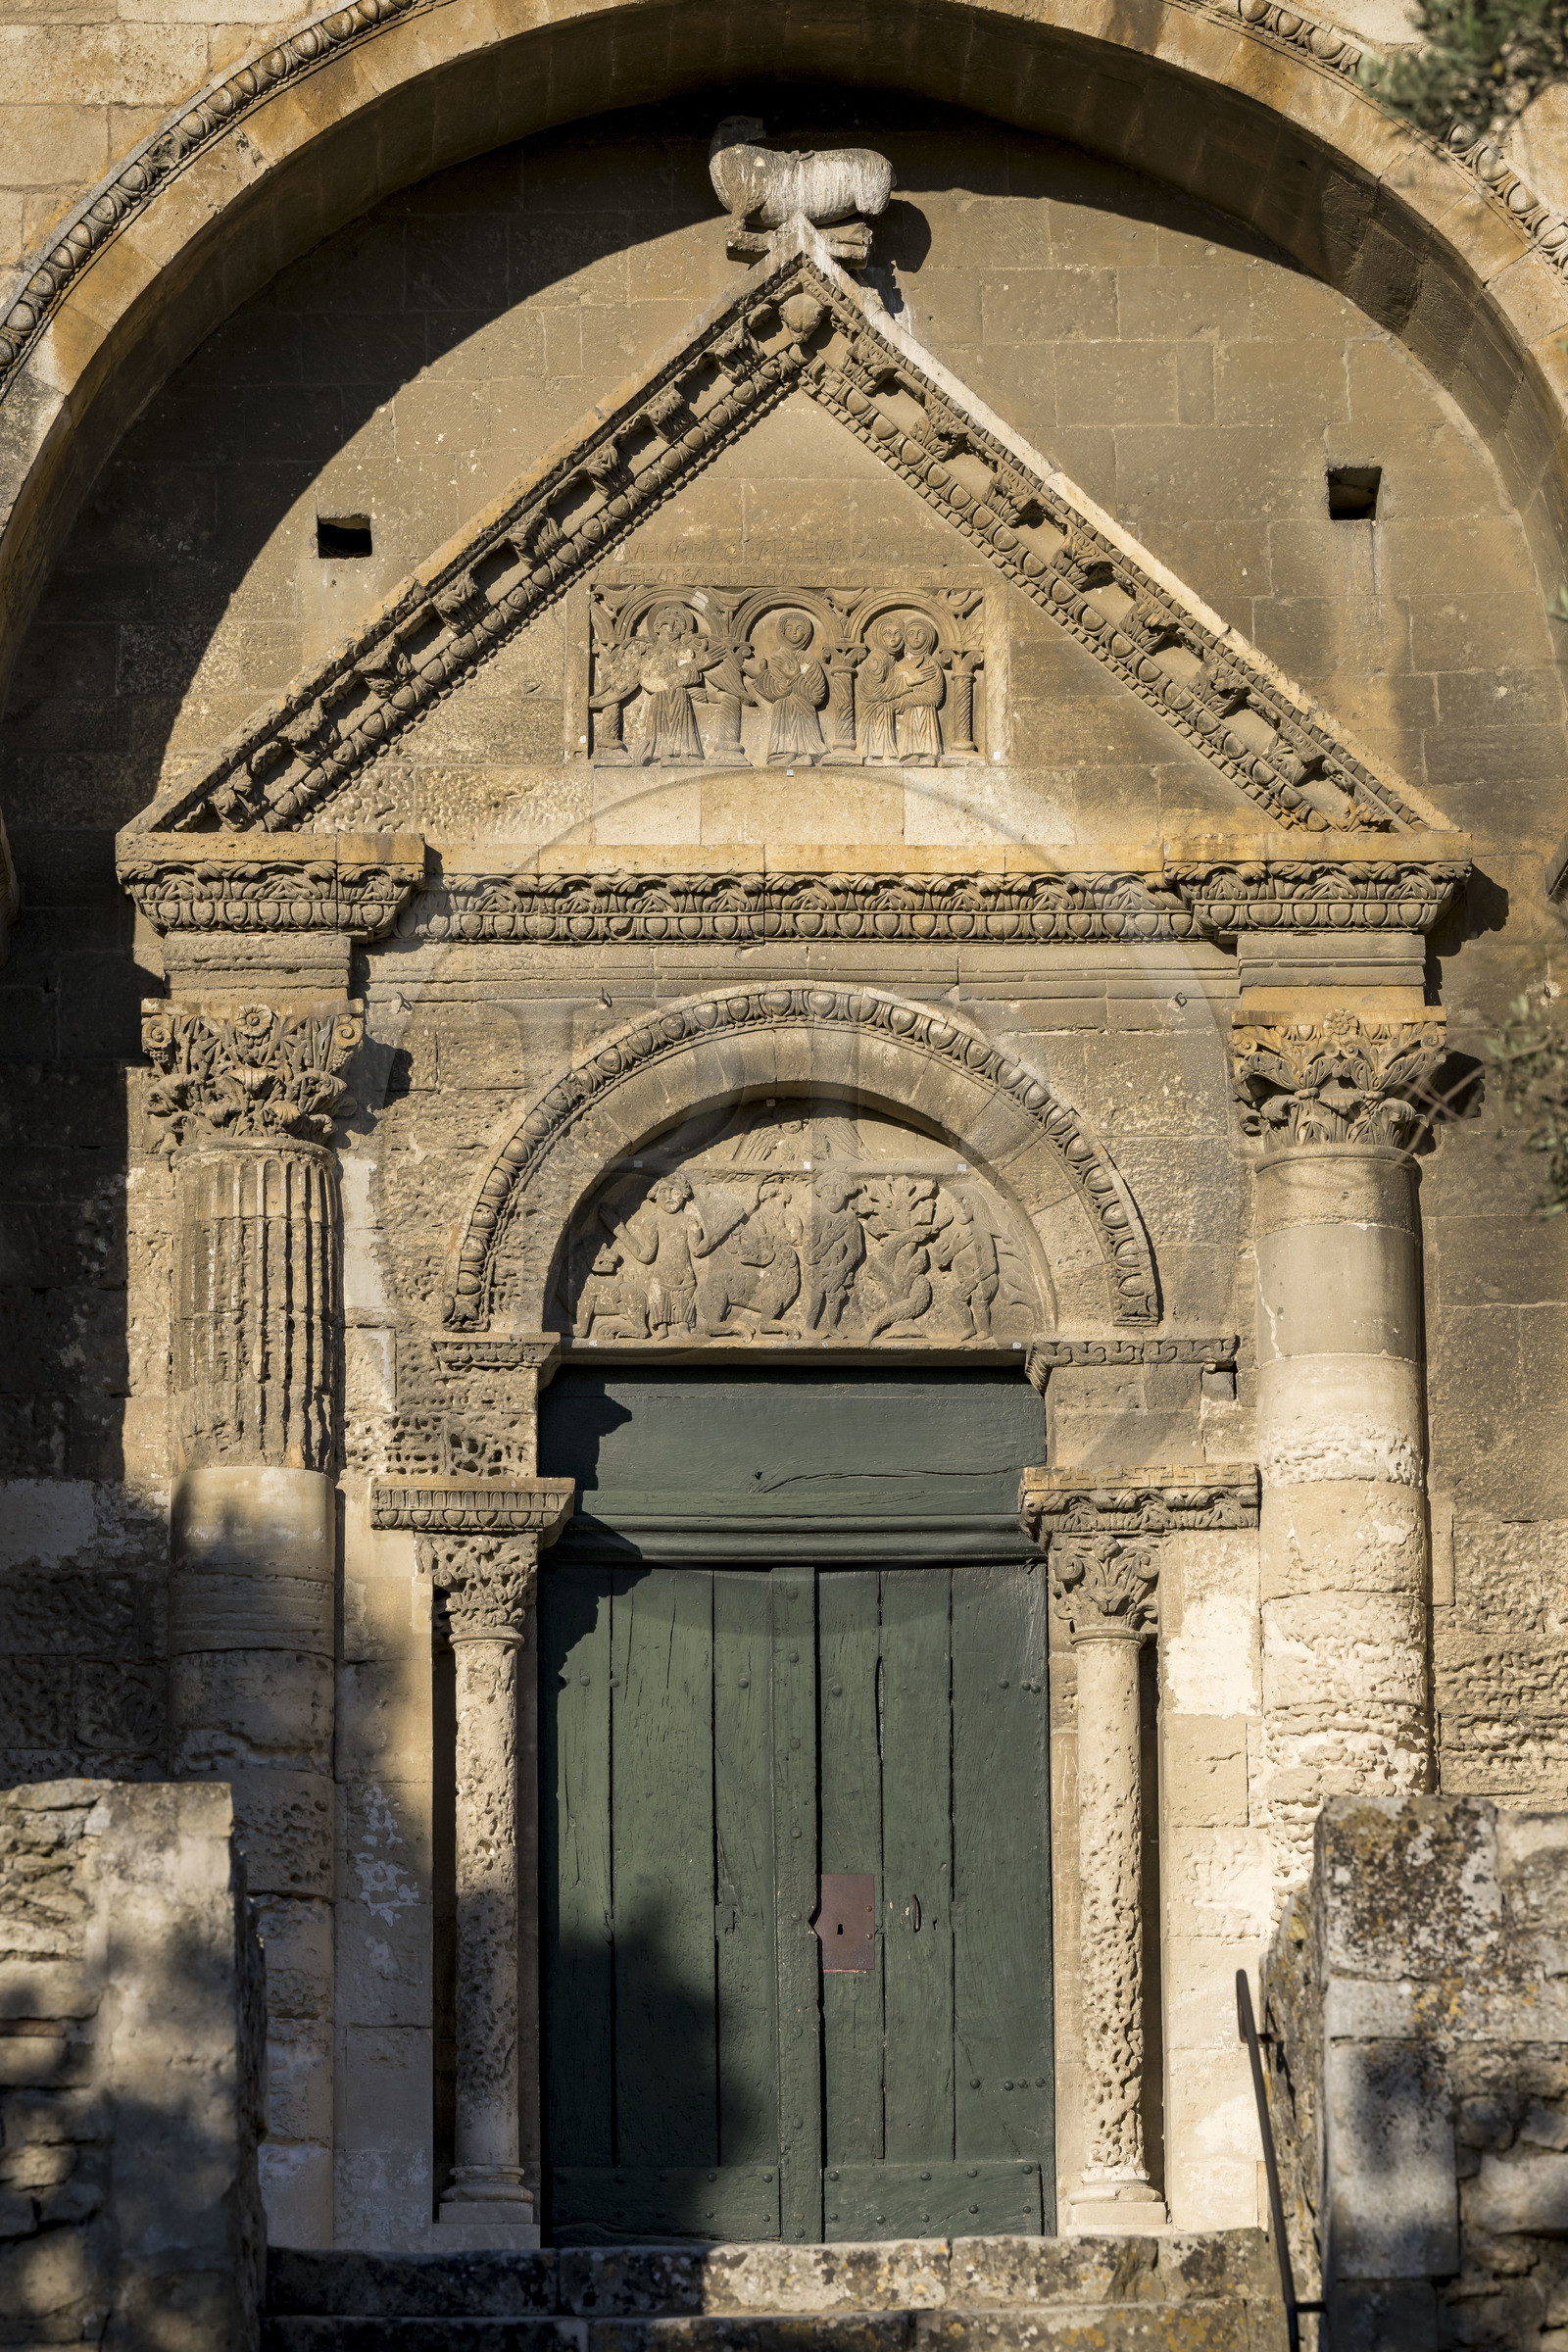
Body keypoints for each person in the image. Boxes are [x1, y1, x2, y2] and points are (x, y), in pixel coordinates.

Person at [747, 612, 828, 764]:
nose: (794, 632)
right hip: (783, 707)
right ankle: (784, 755)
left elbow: (816, 696)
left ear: (807, 633)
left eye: (800, 628)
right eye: (789, 628)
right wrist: (760, 675)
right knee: (785, 725)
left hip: (803, 708)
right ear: (782, 631)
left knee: (802, 734)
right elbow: (778, 692)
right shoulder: (778, 658)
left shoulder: (807, 658)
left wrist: (795, 677)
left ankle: (804, 755)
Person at [895, 615, 944, 764]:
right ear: (905, 638)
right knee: (910, 724)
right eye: (911, 633)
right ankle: (911, 754)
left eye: (921, 633)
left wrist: (909, 699)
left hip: (927, 711)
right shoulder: (901, 665)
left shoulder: (931, 662)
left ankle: (929, 755)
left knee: (923, 714)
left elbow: (935, 696)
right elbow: (895, 694)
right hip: (907, 714)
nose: (915, 637)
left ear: (928, 638)